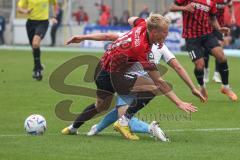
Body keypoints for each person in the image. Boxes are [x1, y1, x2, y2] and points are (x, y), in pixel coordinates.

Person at [61, 14, 201, 140]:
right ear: (153, 32)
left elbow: (129, 20)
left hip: (101, 70)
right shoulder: (141, 48)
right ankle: (123, 122)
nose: (166, 35)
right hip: (113, 76)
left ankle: (73, 128)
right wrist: (179, 102)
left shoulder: (141, 25)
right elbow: (159, 80)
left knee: (100, 106)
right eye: (164, 33)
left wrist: (82, 37)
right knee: (153, 87)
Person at [170, 0, 238, 102]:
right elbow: (172, 7)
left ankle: (225, 87)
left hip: (207, 35)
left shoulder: (212, 2)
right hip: (191, 37)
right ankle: (201, 87)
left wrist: (219, 29)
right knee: (199, 65)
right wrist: (184, 8)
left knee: (221, 56)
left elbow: (213, 18)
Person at [17, 0, 58, 81]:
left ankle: (37, 71)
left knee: (35, 43)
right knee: (34, 47)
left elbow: (54, 4)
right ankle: (38, 65)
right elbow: (19, 8)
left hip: (43, 22)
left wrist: (54, 17)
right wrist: (25, 11)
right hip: (30, 24)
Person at [203, 0, 236, 83]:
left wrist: (232, 16)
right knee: (206, 50)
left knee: (220, 49)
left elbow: (230, 4)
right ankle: (206, 72)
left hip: (219, 27)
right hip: (207, 25)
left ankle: (216, 75)